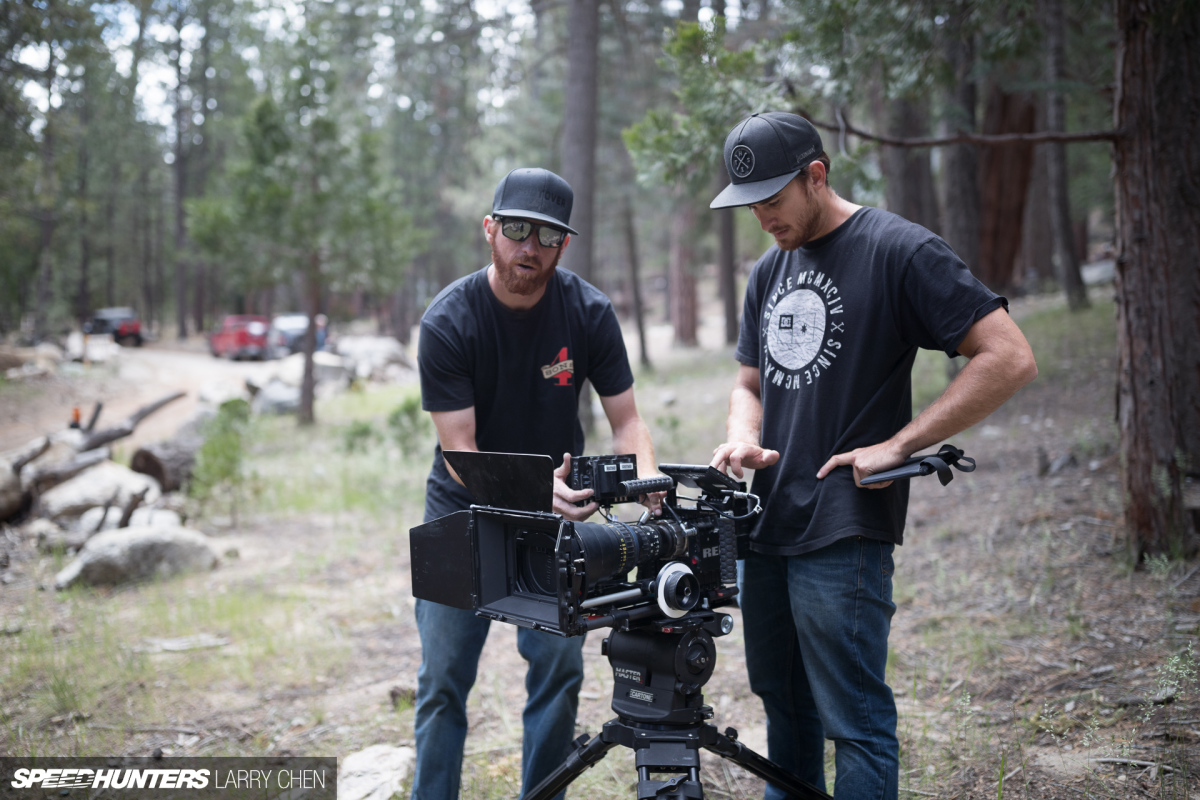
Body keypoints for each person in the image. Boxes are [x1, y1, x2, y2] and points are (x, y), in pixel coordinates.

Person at [707, 112, 1038, 799]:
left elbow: (1008, 356)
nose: (762, 218)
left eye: (772, 200)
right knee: (783, 706)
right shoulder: (768, 270)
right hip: (766, 525)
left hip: (844, 523)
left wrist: (900, 444)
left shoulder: (899, 250)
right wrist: (742, 433)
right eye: (749, 206)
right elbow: (748, 382)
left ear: (816, 175)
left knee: (853, 722)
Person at [413, 167, 662, 800]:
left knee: (557, 672)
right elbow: (459, 451)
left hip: (553, 521)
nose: (531, 247)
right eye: (517, 230)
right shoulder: (449, 320)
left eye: (547, 235)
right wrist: (525, 492)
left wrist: (647, 475)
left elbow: (627, 420)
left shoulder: (588, 312)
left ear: (564, 244)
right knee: (443, 681)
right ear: (490, 229)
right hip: (462, 514)